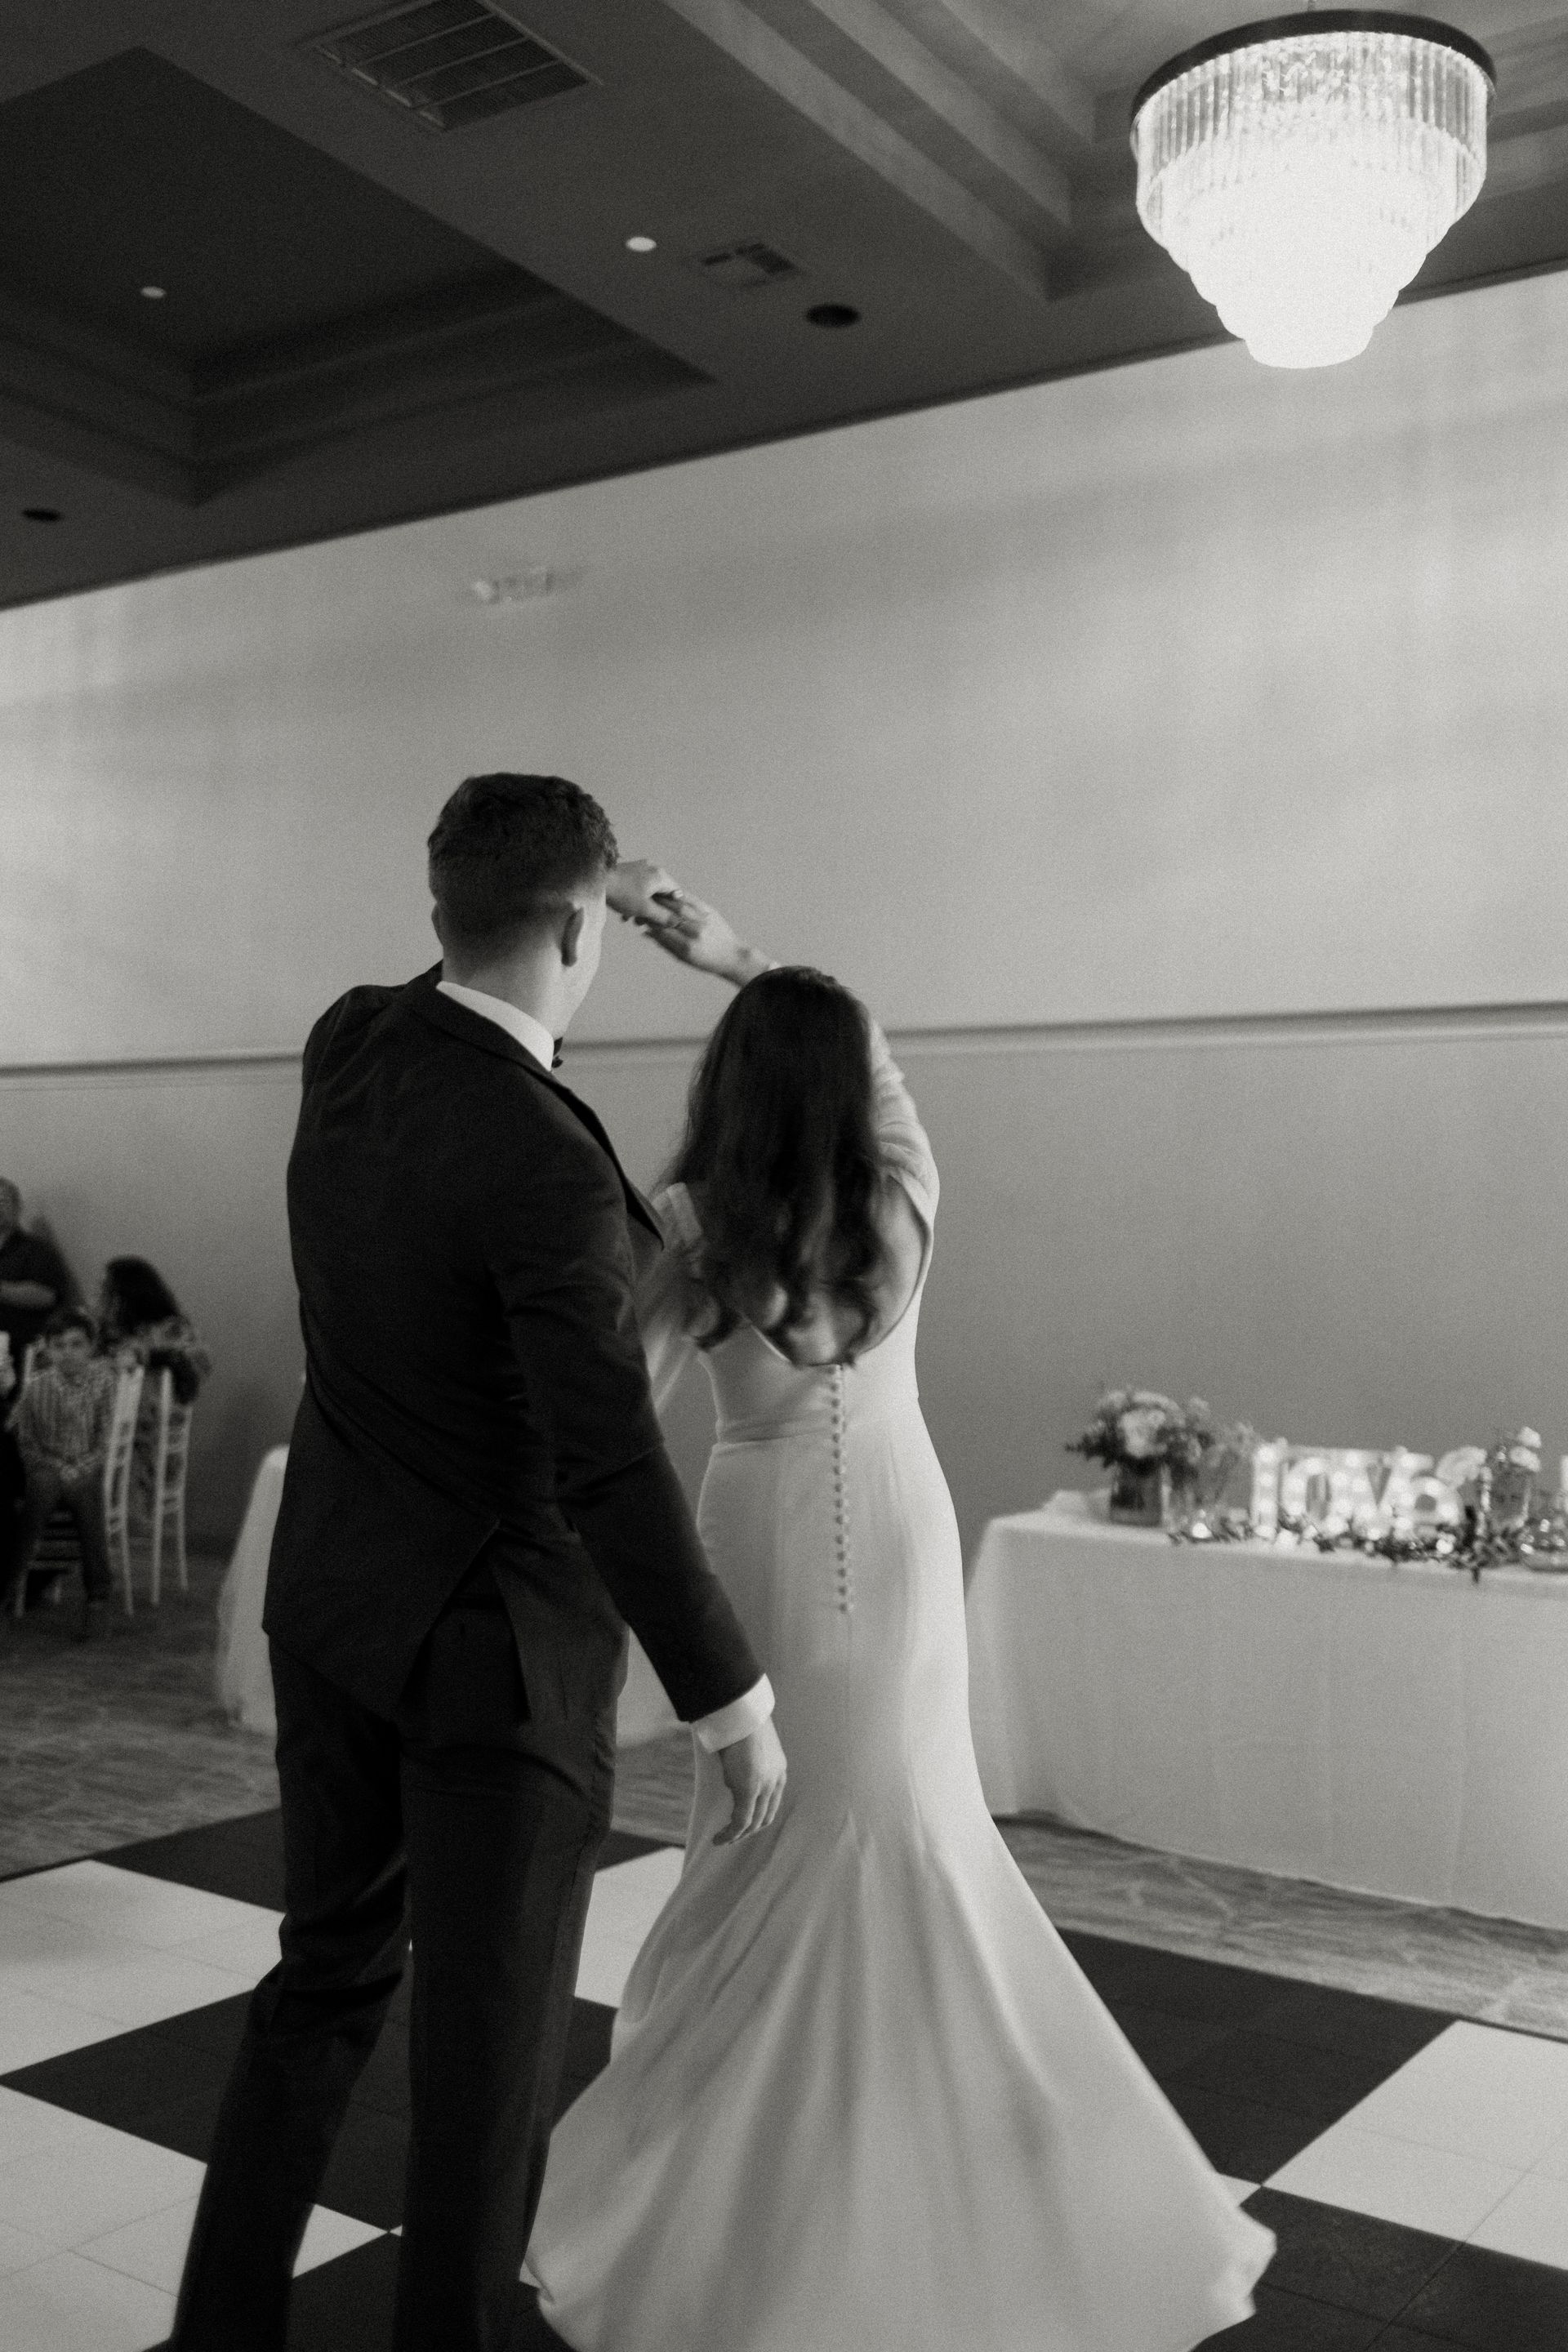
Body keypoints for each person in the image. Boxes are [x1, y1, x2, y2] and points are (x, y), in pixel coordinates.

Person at [526, 886, 1276, 2351]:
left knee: (763, 1845)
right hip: (902, 1518)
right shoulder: (909, 1196)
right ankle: (948, 2165)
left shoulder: (686, 1225)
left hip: (757, 1545)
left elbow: (611, 1411)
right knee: (910, 1837)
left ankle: (756, 2190)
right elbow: (873, 1056)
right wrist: (740, 953)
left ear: (728, 1089)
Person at [171, 774, 786, 2352]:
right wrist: (729, 1696)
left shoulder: (351, 1042)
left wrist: (579, 888)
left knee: (319, 1987)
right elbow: (607, 1461)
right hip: (494, 1659)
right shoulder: (544, 1161)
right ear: (584, 924)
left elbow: (481, 954)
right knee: (485, 2069)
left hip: (334, 1605)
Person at [7, 1305, 116, 1634]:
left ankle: (97, 1594)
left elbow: (105, 1438)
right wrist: (54, 1465)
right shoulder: (37, 1387)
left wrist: (81, 1466)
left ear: (90, 1347)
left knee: (87, 1503)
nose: (68, 1353)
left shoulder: (102, 1383)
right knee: (36, 1502)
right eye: (59, 1346)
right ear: (48, 1349)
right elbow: (25, 1440)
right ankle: (10, 1582)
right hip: (46, 1466)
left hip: (85, 1466)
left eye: (76, 1345)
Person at [97, 1256, 212, 1522]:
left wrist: (148, 1357)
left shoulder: (169, 1328)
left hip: (145, 1443)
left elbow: (197, 1362)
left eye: (105, 1290)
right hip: (112, 1431)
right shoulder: (105, 1331)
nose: (98, 1296)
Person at [0, 1178, 75, 1365]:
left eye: (3, 1201)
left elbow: (47, 1296)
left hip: (19, 1352)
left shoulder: (37, 1250)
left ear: (17, 1208)